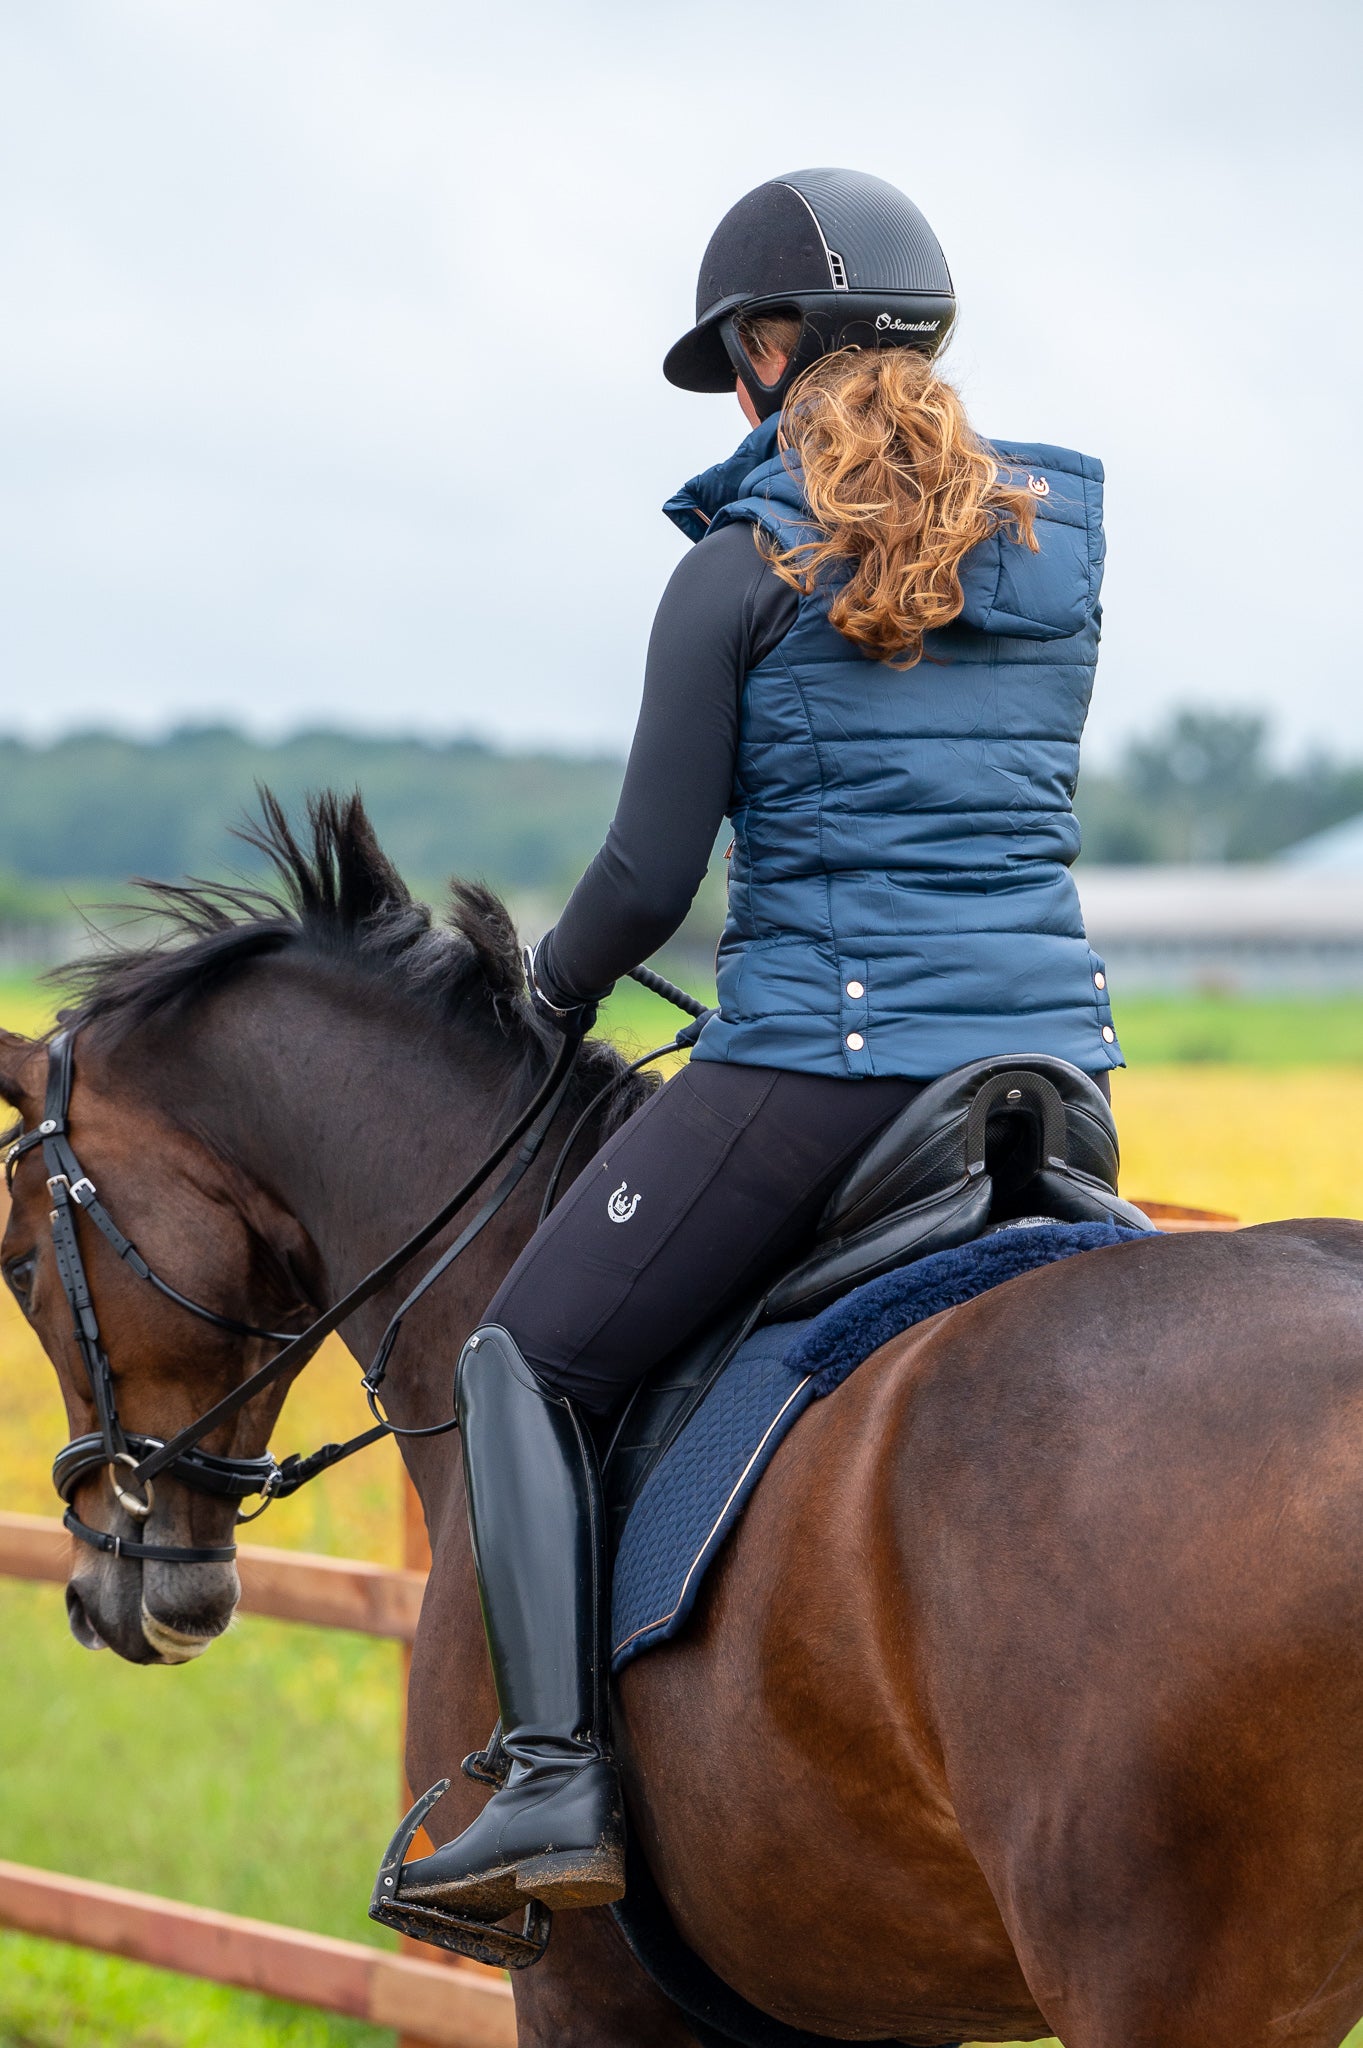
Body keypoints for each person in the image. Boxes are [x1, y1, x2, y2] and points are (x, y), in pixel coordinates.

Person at [395, 166, 1123, 1922]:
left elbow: (650, 875)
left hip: (827, 1063)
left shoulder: (738, 571)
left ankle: (556, 1781)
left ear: (771, 353)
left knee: (523, 1358)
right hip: (1052, 1078)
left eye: (738, 355)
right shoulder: (1051, 559)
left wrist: (550, 994)